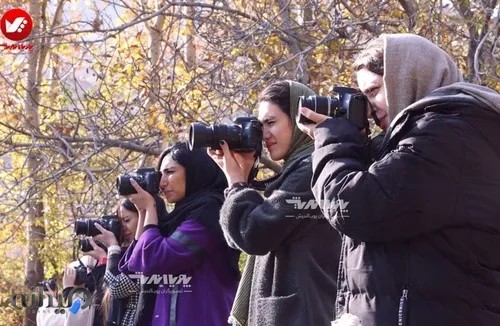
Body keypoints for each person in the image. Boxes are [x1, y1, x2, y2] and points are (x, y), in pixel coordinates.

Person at [298, 33, 500, 326]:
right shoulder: (437, 133)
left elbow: (355, 205)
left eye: (374, 91)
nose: (369, 108)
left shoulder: (449, 135)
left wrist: (331, 140)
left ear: (406, 77)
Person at [211, 80, 341, 326]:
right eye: (260, 127)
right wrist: (242, 178)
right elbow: (238, 236)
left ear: (299, 118)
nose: (265, 135)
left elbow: (255, 234)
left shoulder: (311, 169)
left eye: (271, 123)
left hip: (304, 313)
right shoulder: (299, 168)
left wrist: (237, 184)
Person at [118, 142, 240, 326]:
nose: (162, 183)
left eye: (170, 172)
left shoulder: (210, 211)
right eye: (161, 175)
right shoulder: (178, 218)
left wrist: (150, 208)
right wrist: (143, 211)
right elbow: (134, 267)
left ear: (194, 171)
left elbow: (157, 258)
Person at [93, 199, 162, 326]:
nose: (122, 228)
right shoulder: (127, 251)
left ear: (144, 217)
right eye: (119, 223)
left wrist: (112, 247)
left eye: (126, 220)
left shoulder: (149, 250)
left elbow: (117, 287)